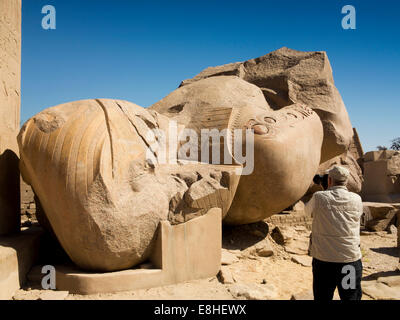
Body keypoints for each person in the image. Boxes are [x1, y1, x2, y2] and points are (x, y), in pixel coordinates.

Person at [305, 165, 363, 301]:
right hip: (349, 260)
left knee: (323, 297)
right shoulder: (356, 199)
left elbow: (307, 212)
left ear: (329, 180)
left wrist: (324, 190)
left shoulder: (319, 197)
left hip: (324, 261)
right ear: (346, 181)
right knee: (350, 297)